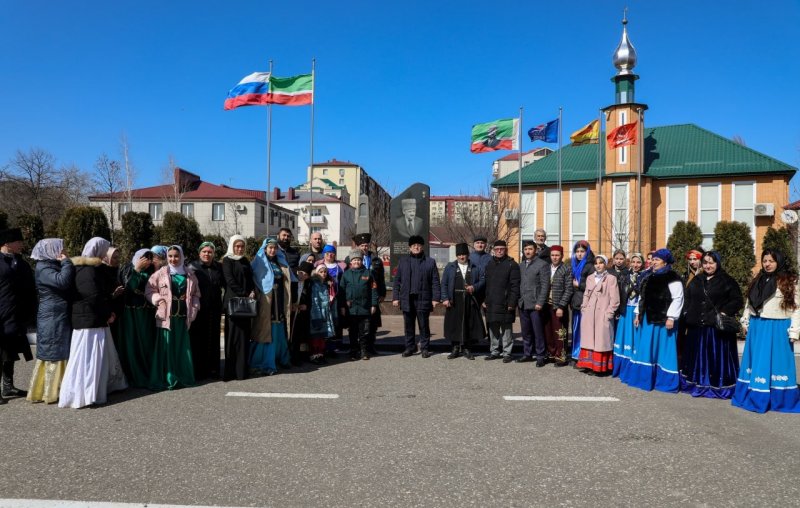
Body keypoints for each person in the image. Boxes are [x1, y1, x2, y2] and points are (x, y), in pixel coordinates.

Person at [59, 237, 128, 408]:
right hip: (90, 321)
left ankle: (94, 391)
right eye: (104, 249)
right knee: (88, 359)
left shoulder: (89, 268)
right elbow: (92, 296)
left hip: (92, 319)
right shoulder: (87, 270)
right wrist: (107, 313)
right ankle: (86, 395)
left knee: (92, 358)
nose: (106, 253)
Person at [733, 249, 800, 413]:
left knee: (778, 362)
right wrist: (745, 320)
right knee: (756, 362)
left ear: (778, 261)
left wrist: (794, 331)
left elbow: (797, 307)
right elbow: (750, 303)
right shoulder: (758, 279)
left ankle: (779, 399)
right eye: (765, 261)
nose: (767, 264)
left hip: (777, 326)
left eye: (771, 261)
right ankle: (753, 394)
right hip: (757, 325)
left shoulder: (790, 280)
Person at [680, 251, 743, 399]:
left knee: (716, 359)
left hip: (716, 329)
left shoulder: (727, 280)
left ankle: (718, 387)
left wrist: (724, 312)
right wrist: (687, 315)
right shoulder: (696, 280)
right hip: (697, 328)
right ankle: (696, 384)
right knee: (697, 358)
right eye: (705, 262)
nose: (708, 266)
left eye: (711, 263)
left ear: (717, 263)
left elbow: (737, 300)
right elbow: (688, 300)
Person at [624, 248, 684, 393]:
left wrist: (671, 317)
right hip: (648, 318)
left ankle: (663, 380)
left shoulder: (672, 276)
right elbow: (642, 296)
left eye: (657, 259)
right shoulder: (649, 275)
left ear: (665, 261)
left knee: (663, 351)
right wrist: (638, 313)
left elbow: (678, 298)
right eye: (653, 259)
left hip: (663, 321)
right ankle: (643, 378)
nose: (653, 262)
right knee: (646, 349)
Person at [27, 239, 73, 404]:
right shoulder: (44, 268)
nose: (64, 251)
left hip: (58, 314)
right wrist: (67, 262)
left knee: (61, 349)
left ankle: (63, 388)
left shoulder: (52, 265)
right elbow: (62, 281)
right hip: (52, 316)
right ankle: (50, 391)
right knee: (54, 351)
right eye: (61, 248)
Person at [146, 245, 199, 391]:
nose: (173, 259)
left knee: (182, 349)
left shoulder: (190, 274)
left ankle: (183, 377)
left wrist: (194, 309)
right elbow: (149, 290)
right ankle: (168, 378)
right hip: (166, 319)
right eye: (170, 256)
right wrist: (158, 299)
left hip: (182, 319)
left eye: (176, 256)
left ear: (181, 257)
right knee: (167, 349)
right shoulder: (160, 273)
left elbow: (196, 295)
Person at [0, 228, 35, 403]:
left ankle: (8, 386)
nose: (21, 244)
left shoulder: (20, 262)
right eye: (18, 241)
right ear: (7, 243)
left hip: (15, 313)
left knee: (10, 350)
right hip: (1, 311)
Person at [393, 235, 441, 358]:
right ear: (410, 248)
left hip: (423, 298)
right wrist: (395, 297)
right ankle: (410, 347)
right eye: (414, 245)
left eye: (418, 245)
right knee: (408, 326)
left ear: (422, 247)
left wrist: (435, 298)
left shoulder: (430, 262)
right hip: (407, 299)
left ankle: (425, 348)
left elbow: (435, 281)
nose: (416, 247)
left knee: (424, 325)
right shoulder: (403, 261)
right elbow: (397, 280)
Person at [250, 238, 293, 375]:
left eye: (275, 248)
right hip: (266, 300)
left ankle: (278, 359)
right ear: (265, 249)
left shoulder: (280, 262)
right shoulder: (259, 262)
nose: (273, 250)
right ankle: (262, 363)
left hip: (279, 298)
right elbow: (254, 279)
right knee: (265, 330)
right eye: (270, 248)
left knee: (278, 328)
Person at [117, 248, 156, 388]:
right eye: (144, 257)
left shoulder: (153, 270)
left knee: (147, 343)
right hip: (132, 314)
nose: (147, 260)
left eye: (149, 257)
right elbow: (128, 289)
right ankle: (134, 375)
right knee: (133, 344)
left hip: (147, 314)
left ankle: (149, 372)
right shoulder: (128, 268)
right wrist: (137, 270)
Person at [441, 242, 485, 360]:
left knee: (468, 324)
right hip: (454, 299)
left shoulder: (475, 267)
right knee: (454, 324)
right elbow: (444, 283)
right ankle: (455, 348)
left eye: (464, 254)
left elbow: (482, 280)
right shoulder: (450, 267)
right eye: (459, 255)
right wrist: (445, 298)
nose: (462, 257)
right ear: (456, 256)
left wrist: (474, 287)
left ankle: (467, 348)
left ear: (467, 255)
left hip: (469, 299)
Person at [576, 255, 619, 375]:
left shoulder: (611, 278)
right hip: (589, 313)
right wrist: (584, 308)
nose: (598, 265)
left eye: (601, 263)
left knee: (601, 341)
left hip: (603, 313)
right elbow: (586, 294)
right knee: (588, 339)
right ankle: (588, 364)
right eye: (596, 263)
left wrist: (609, 313)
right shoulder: (590, 277)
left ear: (605, 264)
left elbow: (614, 298)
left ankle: (600, 367)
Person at [189, 241, 226, 380]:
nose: (207, 254)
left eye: (210, 252)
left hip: (215, 308)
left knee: (214, 339)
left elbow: (224, 284)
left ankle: (214, 369)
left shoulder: (218, 267)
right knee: (199, 339)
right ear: (199, 253)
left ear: (213, 254)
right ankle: (199, 370)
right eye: (204, 251)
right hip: (199, 309)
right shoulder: (193, 267)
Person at [221, 235, 255, 381]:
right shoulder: (227, 260)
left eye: (242, 246)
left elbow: (250, 279)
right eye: (237, 246)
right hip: (233, 303)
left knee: (244, 337)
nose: (240, 249)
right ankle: (230, 372)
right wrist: (245, 293)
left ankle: (242, 371)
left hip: (246, 305)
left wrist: (252, 291)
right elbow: (229, 280)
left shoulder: (245, 261)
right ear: (232, 246)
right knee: (232, 337)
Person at [346, 233, 386, 355]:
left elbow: (381, 278)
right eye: (362, 245)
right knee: (356, 324)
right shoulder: (350, 260)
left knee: (372, 323)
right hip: (356, 296)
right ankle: (356, 347)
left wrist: (382, 293)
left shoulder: (376, 260)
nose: (364, 247)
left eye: (366, 245)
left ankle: (370, 346)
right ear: (357, 246)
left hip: (372, 295)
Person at [483, 240, 521, 363]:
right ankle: (494, 351)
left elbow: (515, 286)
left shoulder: (512, 264)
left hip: (506, 303)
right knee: (493, 328)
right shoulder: (489, 264)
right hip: (491, 302)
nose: (499, 251)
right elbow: (486, 285)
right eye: (497, 249)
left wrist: (512, 303)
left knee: (506, 330)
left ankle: (507, 353)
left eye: (502, 249)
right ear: (493, 250)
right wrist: (484, 299)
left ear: (506, 250)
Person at [517, 241, 551, 366]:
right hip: (523, 303)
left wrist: (540, 302)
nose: (527, 251)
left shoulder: (542, 265)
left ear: (535, 250)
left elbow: (545, 285)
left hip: (536, 304)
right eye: (525, 249)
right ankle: (527, 353)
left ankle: (540, 355)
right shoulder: (520, 265)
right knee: (526, 331)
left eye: (530, 249)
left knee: (538, 331)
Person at [339, 252, 379, 360]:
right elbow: (341, 292)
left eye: (359, 260)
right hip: (351, 309)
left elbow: (373, 289)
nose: (357, 261)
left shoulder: (368, 273)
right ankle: (353, 351)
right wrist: (342, 306)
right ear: (351, 262)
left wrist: (374, 304)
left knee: (364, 332)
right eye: (354, 260)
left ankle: (364, 351)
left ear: (362, 261)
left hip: (365, 307)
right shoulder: (346, 274)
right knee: (352, 331)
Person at [613, 252, 644, 379]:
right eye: (633, 262)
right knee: (623, 337)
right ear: (630, 263)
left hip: (636, 310)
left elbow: (643, 296)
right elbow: (619, 292)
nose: (635, 265)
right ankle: (620, 367)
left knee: (635, 337)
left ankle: (633, 366)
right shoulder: (624, 275)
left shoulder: (645, 276)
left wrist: (639, 312)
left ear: (642, 264)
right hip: (625, 309)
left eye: (638, 262)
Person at [542, 245, 573, 366]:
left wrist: (561, 306)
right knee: (548, 331)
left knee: (560, 332)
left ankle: (561, 356)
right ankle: (551, 353)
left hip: (558, 306)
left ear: (561, 256)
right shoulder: (546, 268)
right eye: (553, 255)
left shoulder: (566, 269)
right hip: (546, 305)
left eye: (557, 255)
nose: (555, 257)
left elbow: (569, 289)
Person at [317, 244, 347, 354]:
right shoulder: (319, 265)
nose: (330, 255)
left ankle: (335, 346)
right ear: (324, 254)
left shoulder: (342, 266)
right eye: (328, 253)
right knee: (326, 321)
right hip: (324, 298)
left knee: (336, 322)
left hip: (337, 298)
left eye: (332, 253)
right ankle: (324, 346)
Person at [569, 240, 595, 364]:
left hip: (585, 302)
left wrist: (579, 285)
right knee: (576, 329)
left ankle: (582, 356)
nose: (579, 254)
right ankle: (576, 354)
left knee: (583, 330)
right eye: (577, 251)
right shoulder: (573, 264)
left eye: (582, 251)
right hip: (576, 301)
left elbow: (593, 285)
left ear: (587, 252)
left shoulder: (590, 265)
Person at [307, 264, 336, 364]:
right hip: (317, 313)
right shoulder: (315, 284)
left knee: (322, 336)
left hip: (325, 314)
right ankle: (314, 355)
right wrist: (316, 315)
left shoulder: (324, 285)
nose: (323, 274)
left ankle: (320, 354)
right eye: (321, 272)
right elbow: (314, 301)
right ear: (317, 273)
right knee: (315, 336)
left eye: (325, 272)